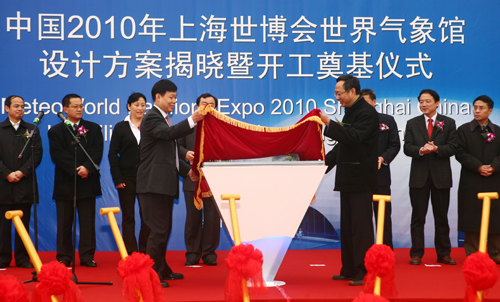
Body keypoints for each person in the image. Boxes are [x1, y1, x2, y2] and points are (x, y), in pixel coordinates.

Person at [136, 79, 204, 288]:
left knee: (162, 230)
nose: (174, 101)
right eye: (171, 97)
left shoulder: (164, 119)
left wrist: (188, 172)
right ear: (158, 97)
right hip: (152, 185)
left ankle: (161, 268)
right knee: (158, 230)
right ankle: (150, 274)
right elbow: (167, 135)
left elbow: (171, 155)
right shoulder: (151, 118)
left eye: (175, 97)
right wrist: (192, 120)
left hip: (163, 184)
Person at [319, 75, 378, 286]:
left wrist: (329, 123)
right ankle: (349, 268)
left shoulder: (367, 113)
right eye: (336, 94)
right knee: (348, 226)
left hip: (361, 178)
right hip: (348, 178)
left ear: (353, 91)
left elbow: (353, 138)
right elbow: (343, 145)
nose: (337, 98)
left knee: (361, 228)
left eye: (339, 93)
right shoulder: (351, 111)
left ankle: (363, 270)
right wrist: (321, 166)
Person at [48, 94, 104, 267]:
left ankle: (87, 256)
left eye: (81, 106)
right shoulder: (56, 131)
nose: (79, 109)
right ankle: (65, 256)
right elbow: (57, 155)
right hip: (65, 182)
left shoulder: (93, 128)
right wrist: (76, 169)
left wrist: (87, 167)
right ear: (65, 109)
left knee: (88, 222)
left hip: (88, 181)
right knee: (64, 223)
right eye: (75, 106)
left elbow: (97, 151)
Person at [403, 89, 458, 266]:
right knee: (418, 217)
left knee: (441, 217)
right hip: (419, 178)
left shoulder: (448, 123)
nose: (424, 104)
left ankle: (443, 253)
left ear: (437, 103)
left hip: (440, 177)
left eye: (427, 101)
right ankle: (416, 253)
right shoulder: (412, 123)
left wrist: (436, 149)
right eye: (421, 101)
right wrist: (421, 150)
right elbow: (407, 148)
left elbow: (453, 147)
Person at [455, 95, 500, 263]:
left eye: (481, 108)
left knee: (496, 217)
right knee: (472, 216)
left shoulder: (498, 131)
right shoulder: (464, 130)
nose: (477, 111)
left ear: (490, 110)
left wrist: (494, 166)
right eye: (475, 107)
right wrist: (478, 166)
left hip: (494, 179)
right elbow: (459, 153)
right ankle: (473, 254)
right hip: (471, 179)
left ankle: (496, 253)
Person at [0, 95, 42, 269]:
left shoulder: (32, 129)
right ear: (7, 108)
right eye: (16, 106)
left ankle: (23, 258)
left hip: (24, 184)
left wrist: (22, 172)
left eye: (23, 106)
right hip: (3, 184)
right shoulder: (0, 129)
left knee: (23, 224)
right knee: (2, 226)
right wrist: (6, 173)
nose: (20, 109)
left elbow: (37, 155)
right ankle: (2, 258)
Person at [179, 93, 220, 266]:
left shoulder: (221, 127)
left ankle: (209, 253)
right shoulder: (188, 126)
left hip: (214, 179)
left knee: (212, 217)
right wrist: (184, 153)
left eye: (211, 104)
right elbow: (174, 147)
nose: (207, 107)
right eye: (204, 104)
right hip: (192, 177)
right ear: (197, 107)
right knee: (193, 217)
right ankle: (193, 253)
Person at [108, 92, 149, 255]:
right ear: (129, 106)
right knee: (128, 217)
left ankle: (145, 251)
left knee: (147, 218)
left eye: (143, 105)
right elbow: (112, 154)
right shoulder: (120, 127)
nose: (140, 108)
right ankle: (131, 253)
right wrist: (117, 178)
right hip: (126, 179)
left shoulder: (149, 125)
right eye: (137, 105)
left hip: (147, 178)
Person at [361, 89, 400, 249]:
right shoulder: (354, 122)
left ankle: (385, 250)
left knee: (383, 216)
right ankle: (364, 251)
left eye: (366, 102)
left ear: (374, 102)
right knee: (362, 217)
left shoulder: (387, 120)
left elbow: (395, 145)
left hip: (381, 176)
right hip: (360, 177)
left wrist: (383, 158)